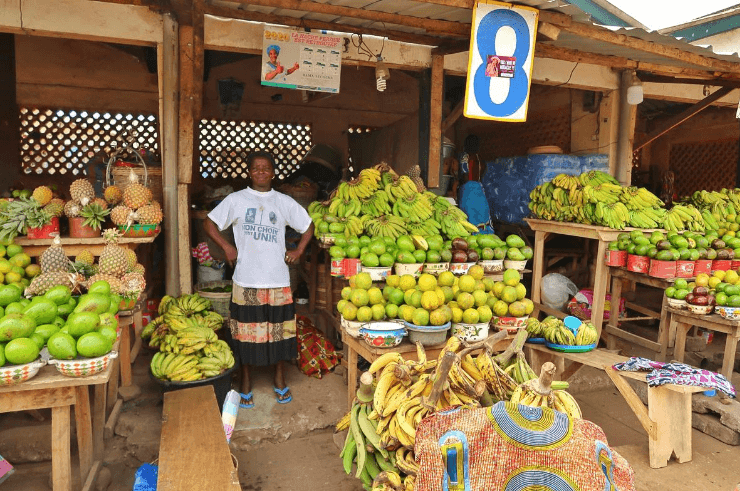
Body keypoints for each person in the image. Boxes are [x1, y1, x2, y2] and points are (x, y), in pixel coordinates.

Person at [204, 151, 315, 409]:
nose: (261, 171)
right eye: (256, 168)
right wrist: (227, 247)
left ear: (273, 173)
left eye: (266, 168)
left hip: (277, 279)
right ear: (250, 172)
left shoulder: (283, 202)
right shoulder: (236, 200)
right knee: (244, 335)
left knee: (280, 334)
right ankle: (245, 382)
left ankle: (279, 379)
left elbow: (308, 225)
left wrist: (298, 250)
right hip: (246, 279)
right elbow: (210, 224)